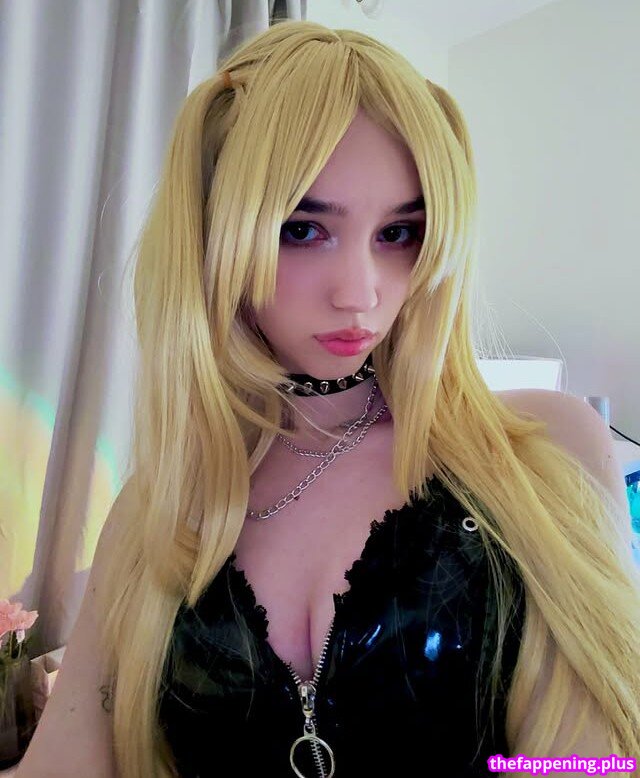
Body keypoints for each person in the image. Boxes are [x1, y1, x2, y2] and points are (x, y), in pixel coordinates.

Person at [17, 19, 640, 778]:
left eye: (400, 232)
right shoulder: (159, 511)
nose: (361, 294)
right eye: (303, 229)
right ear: (215, 235)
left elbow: (599, 760)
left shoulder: (541, 452)